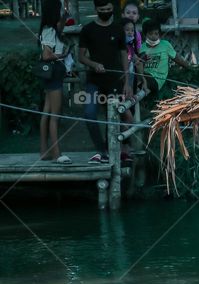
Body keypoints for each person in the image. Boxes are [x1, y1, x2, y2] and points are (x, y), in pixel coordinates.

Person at [78, 0, 131, 164]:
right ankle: (100, 150)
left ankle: (109, 150)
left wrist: (127, 81)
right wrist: (94, 64)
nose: (106, 11)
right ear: (96, 9)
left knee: (112, 116)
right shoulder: (87, 30)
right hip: (93, 80)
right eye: (102, 9)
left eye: (108, 9)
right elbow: (81, 56)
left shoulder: (118, 29)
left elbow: (124, 55)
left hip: (114, 81)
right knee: (89, 113)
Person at [39, 0, 71, 164]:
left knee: (47, 112)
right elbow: (46, 55)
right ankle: (57, 153)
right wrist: (63, 56)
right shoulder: (50, 30)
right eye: (58, 11)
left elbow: (61, 25)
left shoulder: (49, 28)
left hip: (50, 74)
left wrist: (65, 12)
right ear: (53, 12)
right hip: (54, 72)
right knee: (54, 114)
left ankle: (44, 151)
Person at [139, 20, 191, 99]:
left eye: (156, 33)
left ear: (159, 34)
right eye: (150, 34)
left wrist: (190, 68)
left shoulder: (165, 45)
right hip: (143, 76)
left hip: (157, 79)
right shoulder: (141, 48)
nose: (153, 36)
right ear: (145, 35)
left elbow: (178, 59)